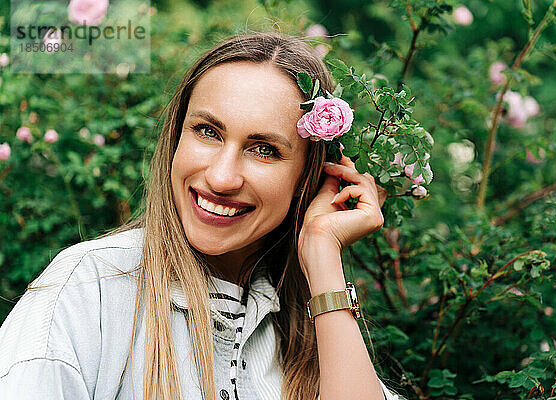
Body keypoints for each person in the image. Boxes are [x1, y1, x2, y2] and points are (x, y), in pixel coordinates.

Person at [0, 32, 403, 400]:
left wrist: (322, 256)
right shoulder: (89, 288)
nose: (221, 177)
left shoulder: (315, 332)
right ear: (177, 136)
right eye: (208, 132)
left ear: (307, 178)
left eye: (264, 149)